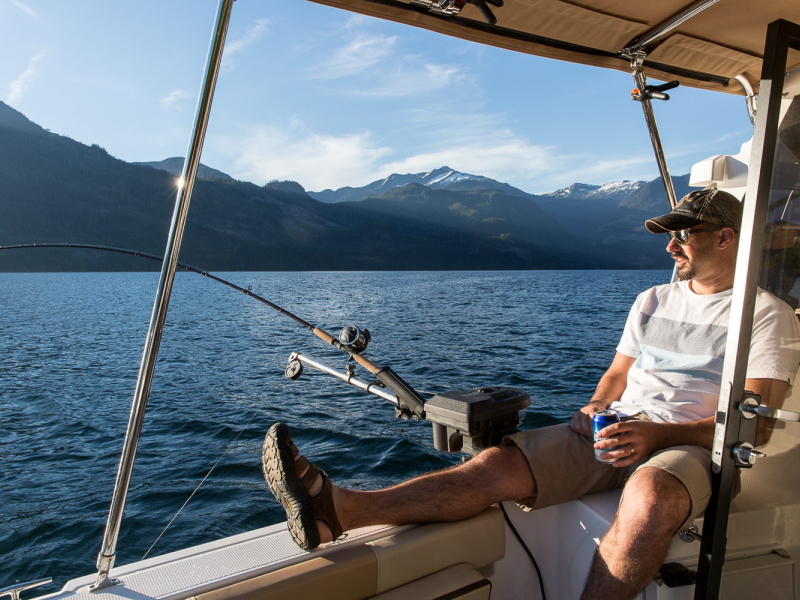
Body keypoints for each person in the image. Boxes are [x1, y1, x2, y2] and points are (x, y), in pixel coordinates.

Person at [261, 187, 800, 600]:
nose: (670, 245)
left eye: (684, 234)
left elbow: (754, 426)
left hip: (690, 446)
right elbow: (616, 377)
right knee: (495, 465)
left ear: (725, 237)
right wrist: (595, 407)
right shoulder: (653, 299)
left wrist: (658, 435)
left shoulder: (765, 315)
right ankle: (342, 510)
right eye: (669, 234)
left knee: (651, 495)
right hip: (616, 430)